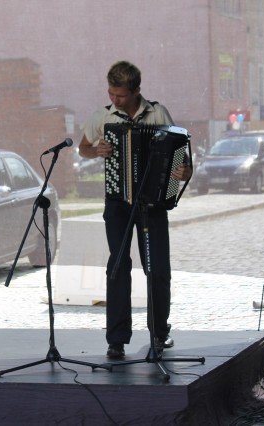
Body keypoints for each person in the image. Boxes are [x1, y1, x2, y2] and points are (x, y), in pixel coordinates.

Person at [78, 60, 192, 359]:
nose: (115, 100)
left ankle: (159, 332)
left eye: (121, 95)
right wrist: (97, 150)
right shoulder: (103, 116)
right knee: (118, 268)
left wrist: (184, 172)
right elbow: (84, 147)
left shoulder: (158, 113)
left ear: (136, 90)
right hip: (117, 201)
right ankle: (116, 339)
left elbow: (179, 153)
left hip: (153, 202)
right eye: (112, 94)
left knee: (158, 269)